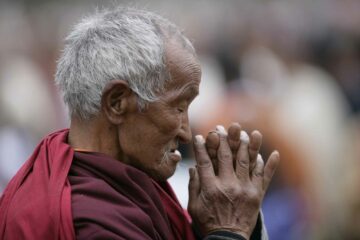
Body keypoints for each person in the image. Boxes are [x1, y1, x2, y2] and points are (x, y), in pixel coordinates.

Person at [0, 7, 279, 240]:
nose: (185, 132)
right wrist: (228, 231)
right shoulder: (91, 221)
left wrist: (212, 226)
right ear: (117, 103)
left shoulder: (122, 183)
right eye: (178, 107)